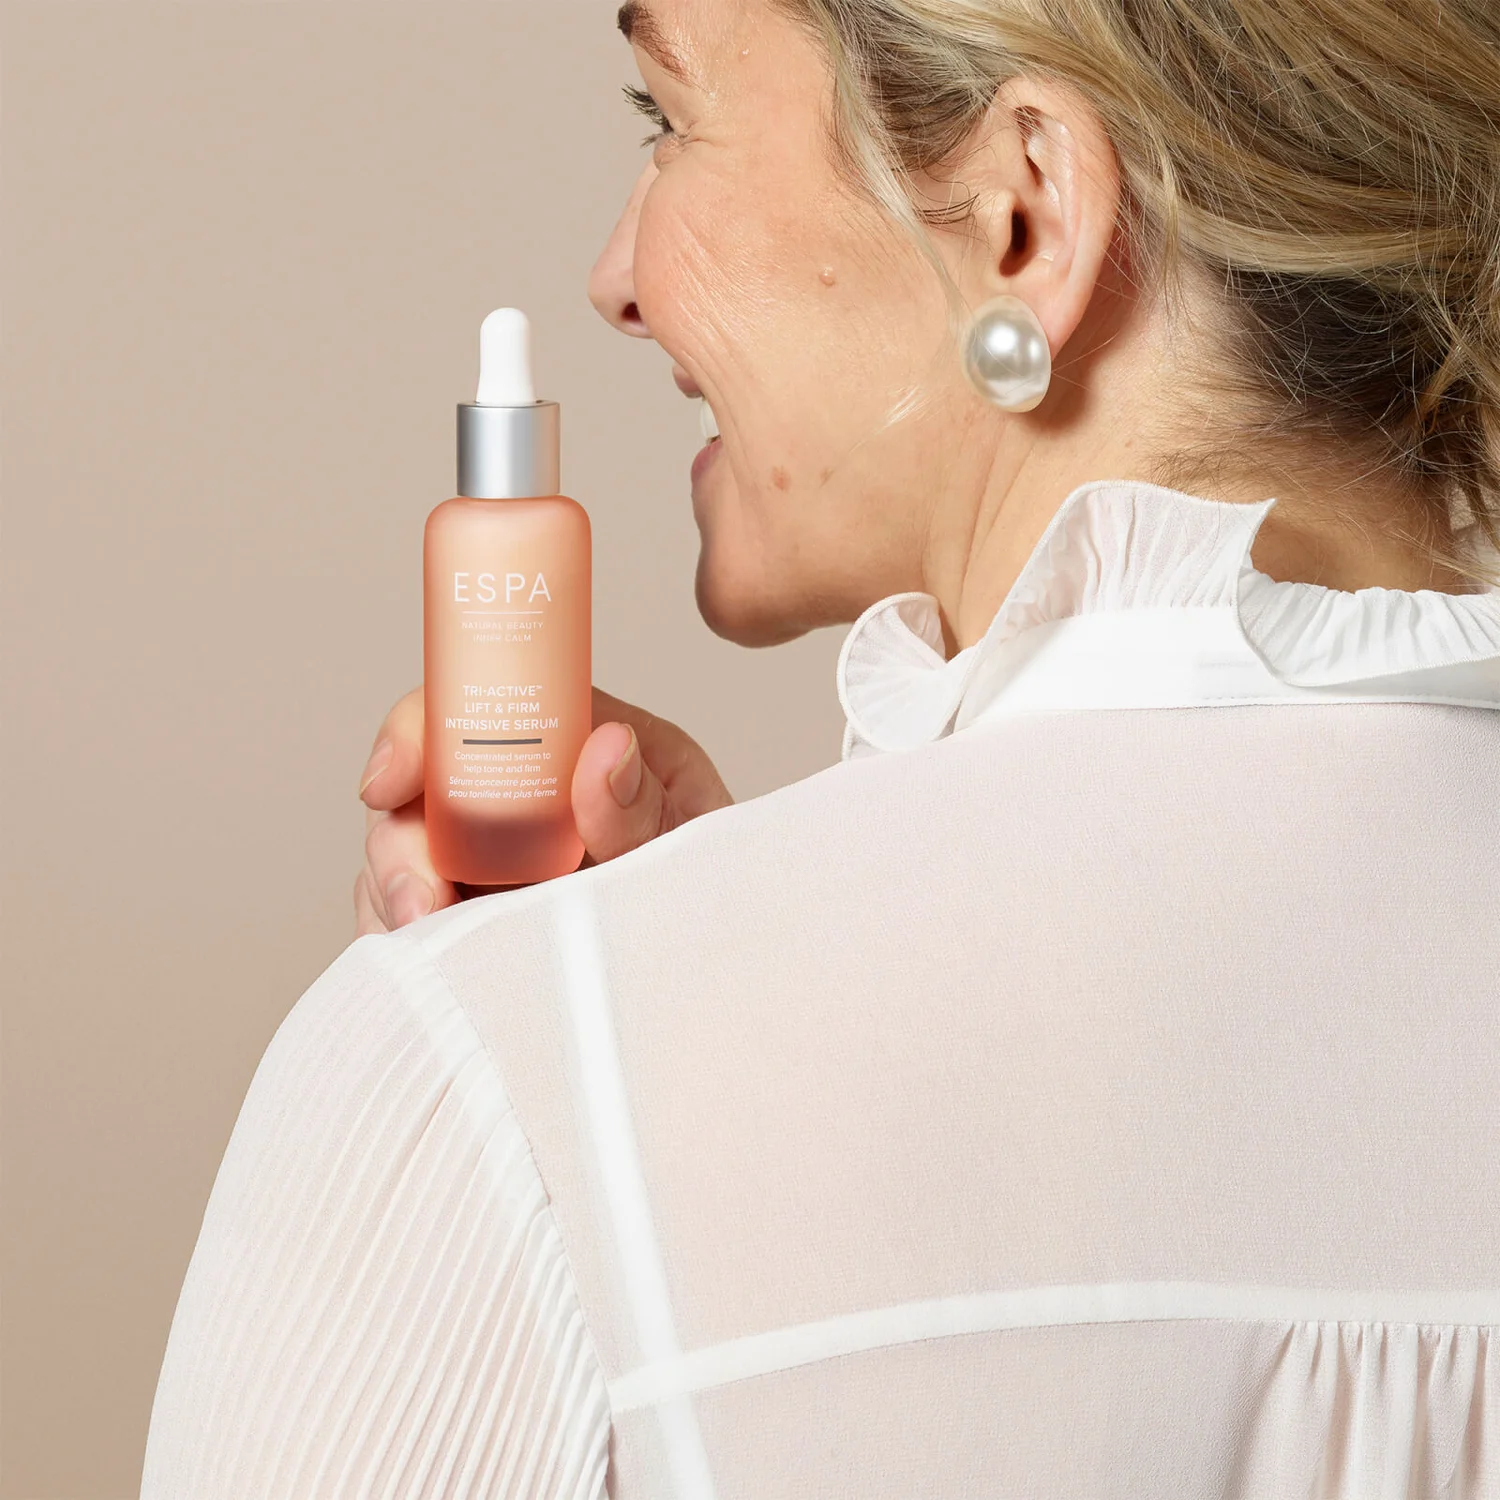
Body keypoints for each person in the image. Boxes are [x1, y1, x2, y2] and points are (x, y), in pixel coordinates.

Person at [142, 0, 1500, 1494]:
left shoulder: (488, 1086)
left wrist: (581, 1064)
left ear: (1024, 218)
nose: (615, 281)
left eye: (669, 116)